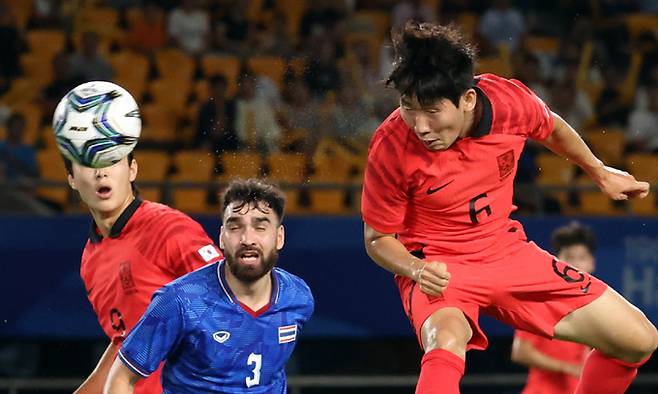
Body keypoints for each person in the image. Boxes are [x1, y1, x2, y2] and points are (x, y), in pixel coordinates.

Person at [361, 21, 657, 394]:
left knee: (638, 339)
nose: (419, 126)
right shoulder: (391, 145)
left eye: (432, 111)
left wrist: (597, 171)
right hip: (437, 265)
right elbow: (377, 239)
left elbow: (551, 127)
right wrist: (417, 269)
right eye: (408, 108)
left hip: (507, 252)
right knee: (446, 339)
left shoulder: (508, 102)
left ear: (467, 99)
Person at [104, 178, 314, 393]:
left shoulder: (298, 297)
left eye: (260, 227)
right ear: (222, 237)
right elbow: (121, 377)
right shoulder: (179, 301)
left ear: (279, 237)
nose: (247, 238)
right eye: (235, 227)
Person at [66, 150, 223, 393]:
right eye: (88, 165)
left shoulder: (169, 229)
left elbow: (230, 306)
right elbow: (123, 342)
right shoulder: (90, 259)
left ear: (132, 170)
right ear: (72, 179)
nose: (101, 172)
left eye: (112, 160)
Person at [511, 222, 597, 394]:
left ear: (591, 263)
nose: (575, 264)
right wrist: (566, 368)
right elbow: (520, 352)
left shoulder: (593, 307)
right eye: (569, 257)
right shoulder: (540, 301)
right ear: (557, 262)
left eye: (581, 257)